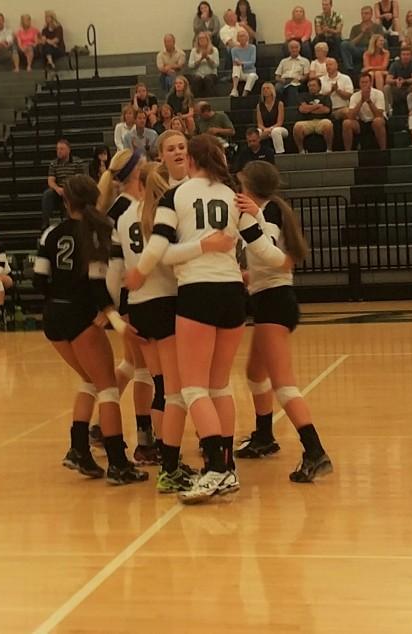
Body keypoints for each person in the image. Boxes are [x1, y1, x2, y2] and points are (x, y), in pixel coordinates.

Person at [125, 135, 281, 503]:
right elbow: (262, 249)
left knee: (193, 389)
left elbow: (161, 248)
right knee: (219, 387)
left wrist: (140, 273)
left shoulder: (173, 197)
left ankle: (214, 469)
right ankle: (226, 466)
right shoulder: (233, 196)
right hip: (232, 295)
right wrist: (285, 261)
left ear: (191, 160)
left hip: (197, 293)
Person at [36, 174, 147, 484]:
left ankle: (78, 450)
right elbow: (99, 287)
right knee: (109, 388)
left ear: (66, 201)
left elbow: (39, 281)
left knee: (89, 380)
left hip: (53, 316)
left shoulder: (50, 234)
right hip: (81, 315)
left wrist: (59, 298)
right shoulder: (97, 233)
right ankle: (117, 463)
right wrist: (111, 317)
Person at [234, 161, 332, 481]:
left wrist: (255, 219)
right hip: (267, 299)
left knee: (283, 384)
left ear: (249, 184)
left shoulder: (269, 212)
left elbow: (273, 254)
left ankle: (315, 451)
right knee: (254, 373)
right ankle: (264, 436)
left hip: (276, 302)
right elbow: (266, 263)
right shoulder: (268, 209)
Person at [106, 158, 192, 490]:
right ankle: (171, 462)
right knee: (175, 391)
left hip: (137, 307)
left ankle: (159, 450)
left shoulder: (124, 216)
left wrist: (115, 311)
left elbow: (116, 272)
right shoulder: (163, 214)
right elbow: (170, 257)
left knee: (158, 383)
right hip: (165, 302)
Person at [43, 139, 89, 228]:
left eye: (61, 149)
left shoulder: (78, 162)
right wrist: (57, 189)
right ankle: (45, 222)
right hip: (59, 190)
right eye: (57, 149)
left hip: (73, 188)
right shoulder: (53, 163)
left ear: (68, 150)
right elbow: (50, 180)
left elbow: (82, 179)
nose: (59, 151)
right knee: (47, 194)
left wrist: (69, 189)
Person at [343, 73, 388, 151]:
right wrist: (361, 101)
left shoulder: (378, 94)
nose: (364, 84)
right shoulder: (355, 96)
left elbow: (379, 115)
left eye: (366, 82)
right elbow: (351, 116)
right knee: (346, 123)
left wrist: (369, 101)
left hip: (376, 120)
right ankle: (348, 152)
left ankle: (383, 150)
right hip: (362, 122)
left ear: (370, 83)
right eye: (362, 82)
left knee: (378, 121)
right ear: (359, 83)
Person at [294, 78, 334, 153]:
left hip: (321, 121)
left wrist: (309, 109)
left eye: (313, 85)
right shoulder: (303, 96)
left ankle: (329, 149)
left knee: (328, 125)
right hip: (307, 121)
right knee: (297, 126)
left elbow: (326, 110)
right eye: (309, 86)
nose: (311, 87)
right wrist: (317, 106)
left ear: (319, 87)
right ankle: (301, 151)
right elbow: (302, 109)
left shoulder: (325, 97)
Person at [341, 5, 383, 77]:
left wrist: (370, 32)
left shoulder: (377, 27)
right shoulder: (355, 27)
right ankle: (349, 69)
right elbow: (351, 43)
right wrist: (362, 33)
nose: (364, 15)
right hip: (358, 49)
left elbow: (380, 41)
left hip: (371, 49)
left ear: (371, 14)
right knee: (344, 44)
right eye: (362, 13)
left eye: (366, 13)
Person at [384, 47, 412, 115]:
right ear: (400, 56)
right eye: (403, 54)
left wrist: (404, 81)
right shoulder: (395, 64)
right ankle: (388, 110)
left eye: (407, 54)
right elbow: (388, 80)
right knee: (386, 87)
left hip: (409, 88)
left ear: (411, 56)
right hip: (397, 88)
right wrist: (396, 81)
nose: (405, 56)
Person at [275, 40, 311, 106]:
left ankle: (291, 109)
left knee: (292, 86)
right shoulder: (283, 61)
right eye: (292, 47)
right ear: (289, 49)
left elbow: (306, 76)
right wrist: (281, 80)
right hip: (284, 81)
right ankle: (279, 107)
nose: (294, 49)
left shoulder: (305, 61)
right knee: (277, 88)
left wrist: (299, 79)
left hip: (297, 81)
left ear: (299, 48)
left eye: (296, 47)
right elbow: (277, 76)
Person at [256, 83, 289, 154]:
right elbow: (259, 123)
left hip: (279, 128)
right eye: (263, 89)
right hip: (265, 129)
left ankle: (280, 153)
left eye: (267, 88)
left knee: (275, 131)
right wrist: (265, 129)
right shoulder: (259, 106)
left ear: (272, 90)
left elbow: (280, 122)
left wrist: (270, 129)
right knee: (257, 132)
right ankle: (258, 154)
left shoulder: (279, 103)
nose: (265, 90)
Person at [320, 57, 354, 121]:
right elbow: (320, 98)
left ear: (336, 66)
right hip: (326, 110)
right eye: (326, 65)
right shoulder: (321, 80)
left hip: (342, 108)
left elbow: (349, 96)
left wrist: (338, 90)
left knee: (348, 112)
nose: (328, 67)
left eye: (330, 64)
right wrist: (331, 91)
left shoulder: (345, 78)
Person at [187, 32, 220, 98]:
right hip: (198, 74)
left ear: (207, 40)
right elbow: (190, 65)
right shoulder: (194, 51)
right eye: (200, 39)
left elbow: (216, 64)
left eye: (204, 38)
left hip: (211, 74)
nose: (202, 40)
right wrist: (200, 59)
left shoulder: (214, 50)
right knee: (197, 79)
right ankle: (196, 99)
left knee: (208, 79)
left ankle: (210, 99)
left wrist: (207, 58)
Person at [229, 29, 258, 97]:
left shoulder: (252, 47)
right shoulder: (234, 50)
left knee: (252, 76)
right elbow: (235, 61)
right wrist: (239, 64)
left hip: (250, 71)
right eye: (240, 36)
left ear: (247, 37)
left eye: (243, 36)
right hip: (239, 73)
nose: (242, 38)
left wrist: (242, 63)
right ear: (237, 38)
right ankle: (234, 89)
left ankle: (244, 94)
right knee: (236, 66)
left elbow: (252, 62)